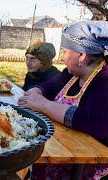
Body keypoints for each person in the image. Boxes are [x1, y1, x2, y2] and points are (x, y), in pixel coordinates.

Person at [18, 21, 108, 179]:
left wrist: (43, 104)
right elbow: (49, 86)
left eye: (65, 51)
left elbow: (92, 120)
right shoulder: (71, 73)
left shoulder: (104, 81)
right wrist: (35, 91)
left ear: (81, 55)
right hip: (58, 154)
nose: (62, 57)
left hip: (83, 167)